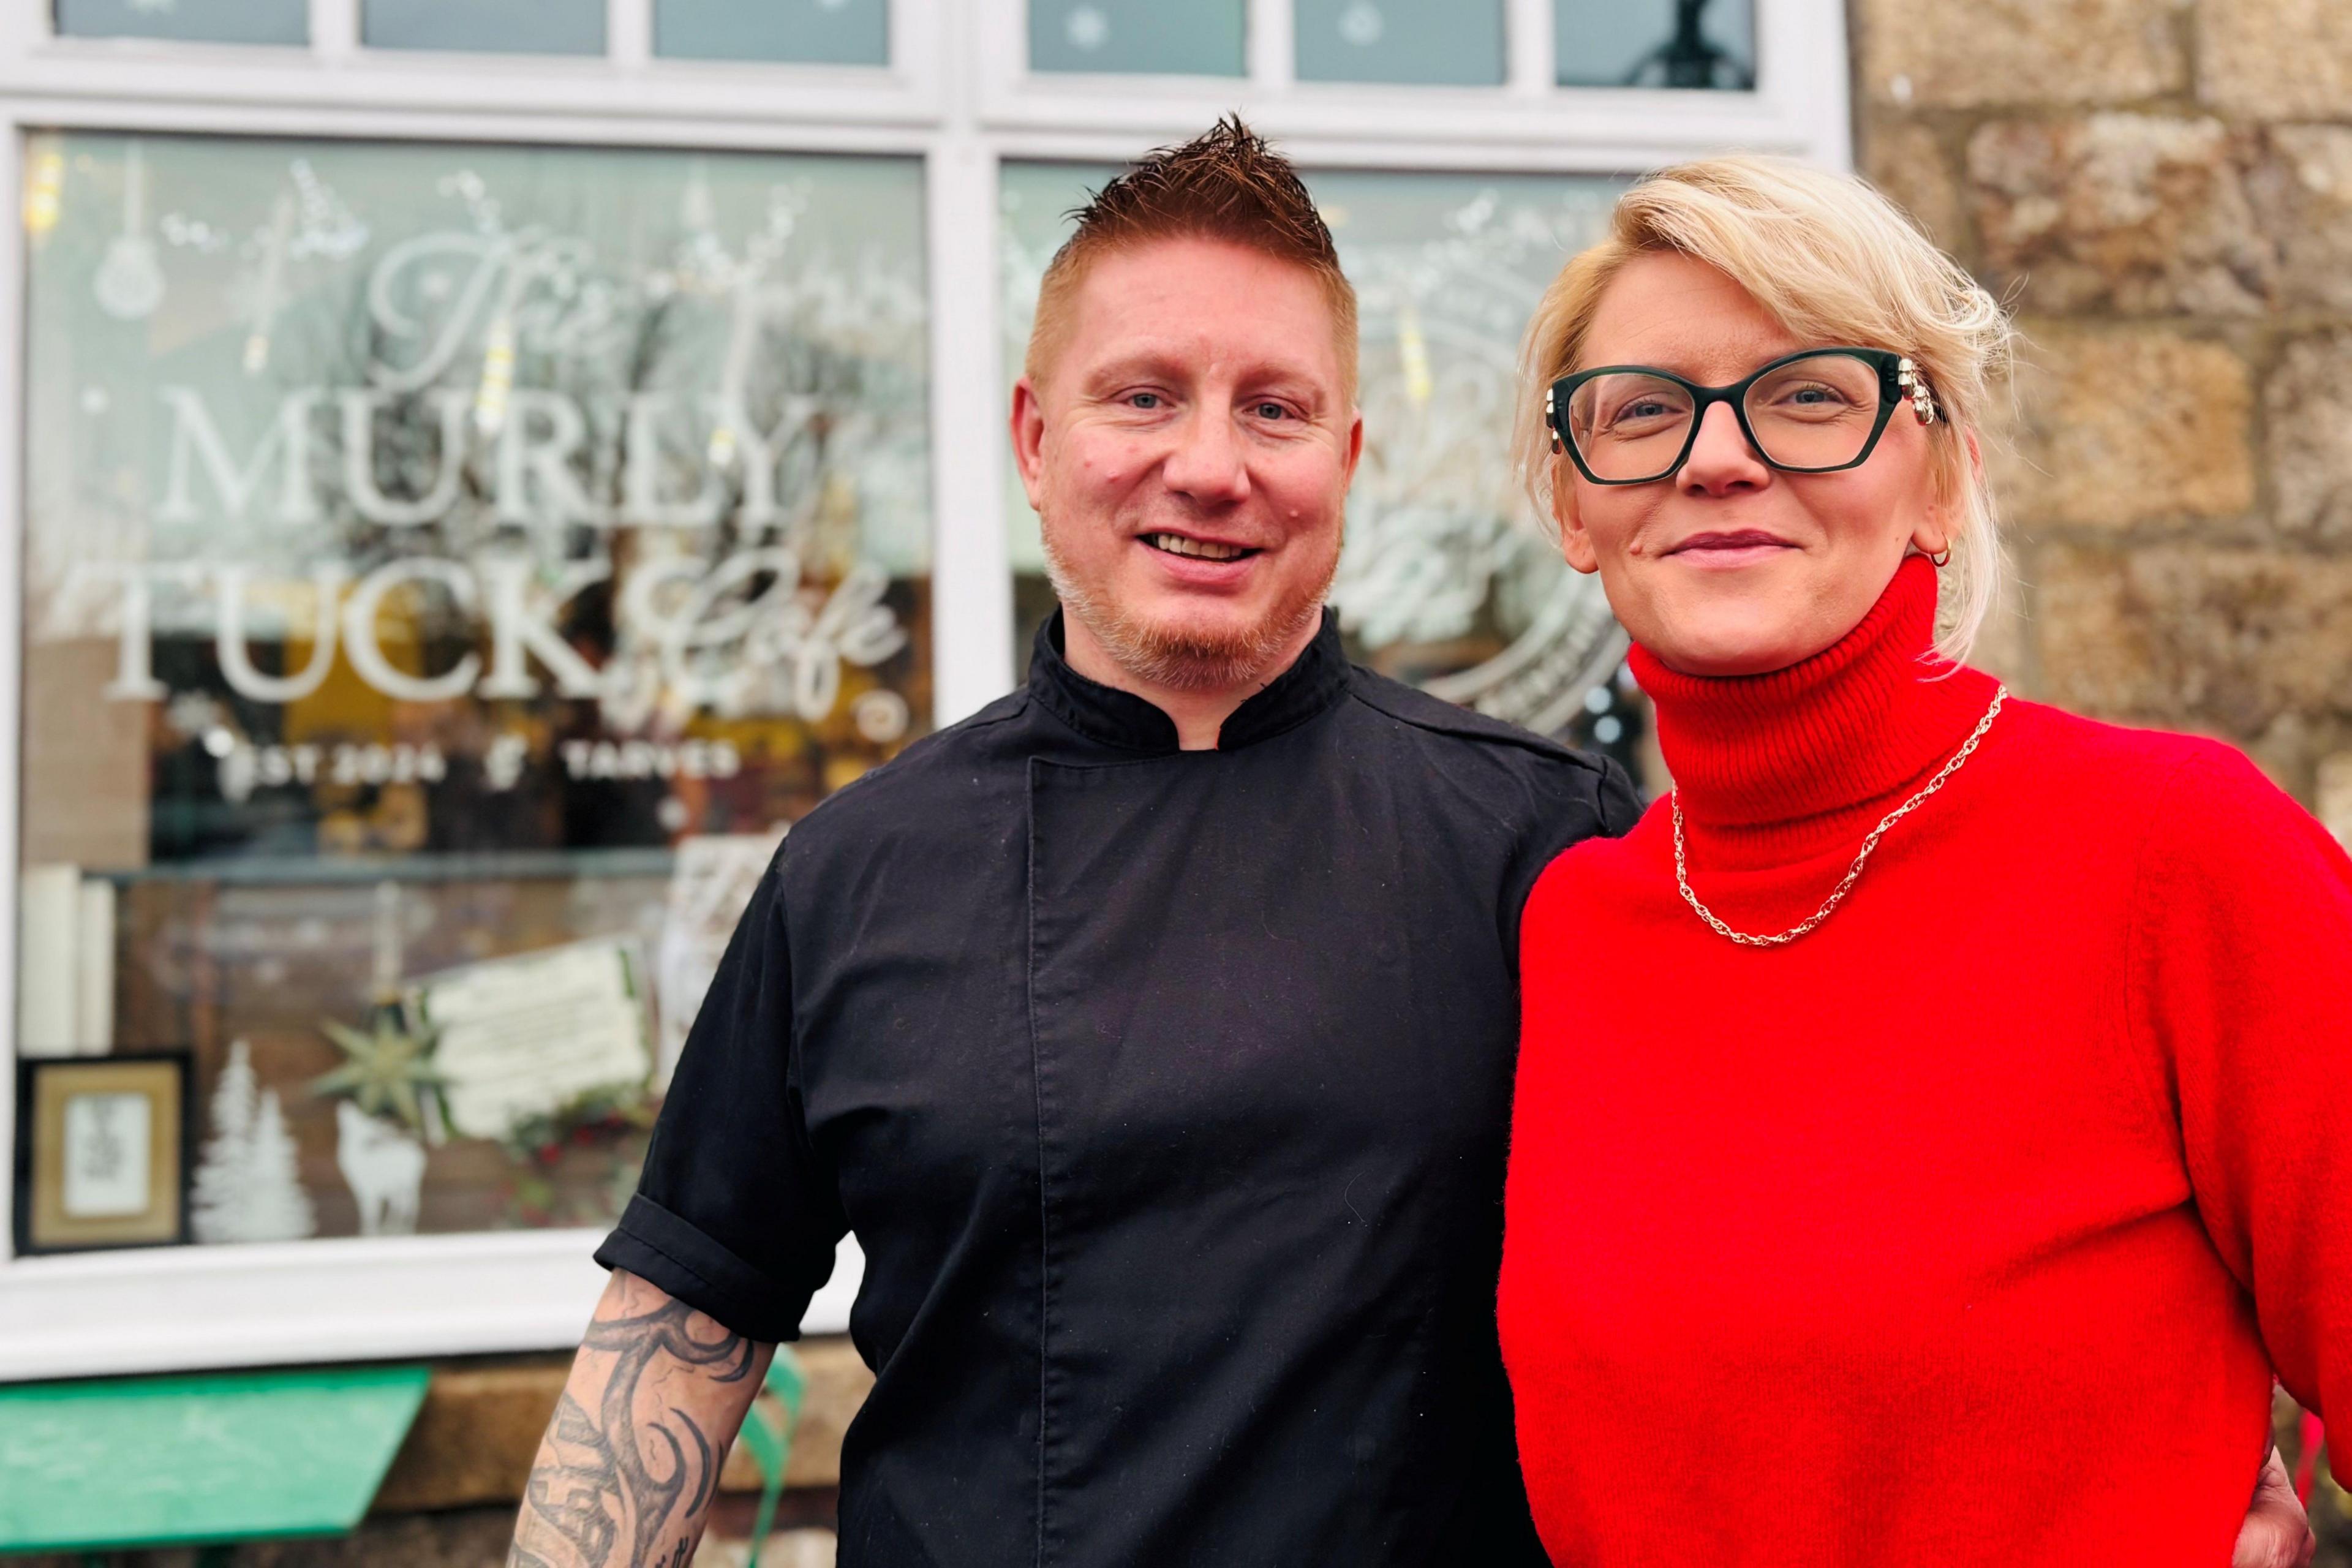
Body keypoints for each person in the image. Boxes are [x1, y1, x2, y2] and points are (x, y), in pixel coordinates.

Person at [507, 118, 1637, 1568]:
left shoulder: (1545, 845)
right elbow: (675, 1339)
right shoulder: (855, 873)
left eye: (1275, 409)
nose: (1210, 466)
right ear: (1037, 441)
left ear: (1347, 459)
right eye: (1144, 395)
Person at [1498, 155, 2345, 1566]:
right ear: (1578, 508)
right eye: (1642, 408)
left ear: (1940, 480)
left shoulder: (2176, 851)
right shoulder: (1576, 921)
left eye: (1808, 395)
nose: (1718, 455)